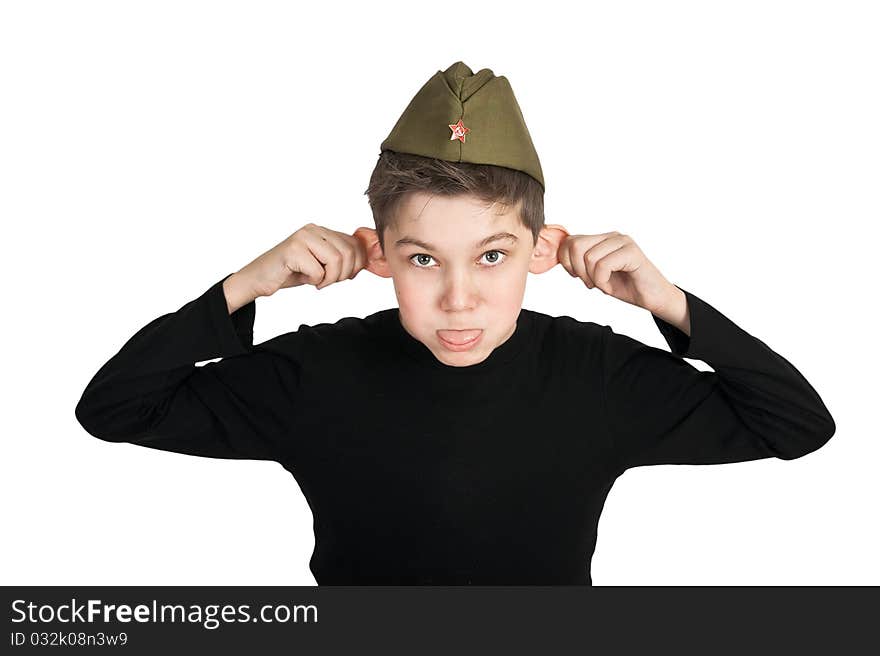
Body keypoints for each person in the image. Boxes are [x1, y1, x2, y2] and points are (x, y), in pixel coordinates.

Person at [74, 61, 836, 585]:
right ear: (378, 255)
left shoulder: (595, 374)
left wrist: (670, 305)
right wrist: (247, 285)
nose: (461, 299)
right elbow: (114, 408)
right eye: (426, 260)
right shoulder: (316, 373)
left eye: (494, 256)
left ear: (544, 249)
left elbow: (796, 426)